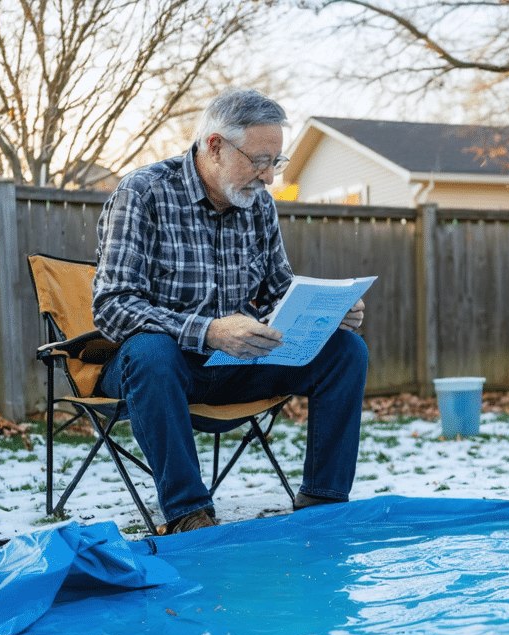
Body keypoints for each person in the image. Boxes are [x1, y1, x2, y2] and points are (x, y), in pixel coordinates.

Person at [92, 88, 368, 535]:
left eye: (275, 162)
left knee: (345, 350)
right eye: (259, 161)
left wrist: (328, 312)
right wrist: (208, 332)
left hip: (239, 363)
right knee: (150, 351)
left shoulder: (258, 205)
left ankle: (324, 501)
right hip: (161, 371)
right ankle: (188, 514)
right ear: (216, 146)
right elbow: (113, 307)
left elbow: (280, 291)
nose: (269, 177)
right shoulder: (143, 193)